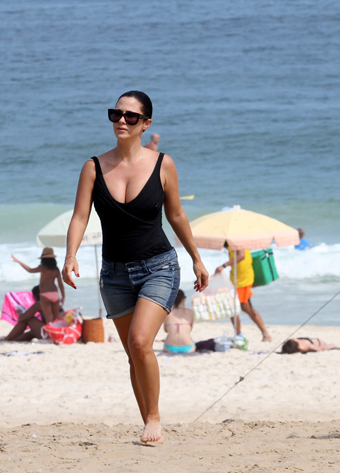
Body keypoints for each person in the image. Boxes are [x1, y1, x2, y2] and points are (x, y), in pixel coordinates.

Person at [62, 91, 209, 444]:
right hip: (113, 273)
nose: (121, 122)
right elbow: (80, 216)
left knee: (141, 341)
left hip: (159, 265)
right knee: (133, 353)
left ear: (146, 123)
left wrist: (196, 257)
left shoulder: (163, 164)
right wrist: (70, 255)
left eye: (130, 117)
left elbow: (176, 214)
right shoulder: (94, 167)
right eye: (116, 114)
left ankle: (155, 417)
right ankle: (147, 421)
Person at [215, 243, 272, 342]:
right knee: (236, 307)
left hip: (243, 280)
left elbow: (241, 256)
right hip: (236, 279)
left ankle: (264, 334)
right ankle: (240, 335)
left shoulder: (236, 240)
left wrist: (223, 266)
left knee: (243, 307)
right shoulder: (231, 244)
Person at [11, 248, 65, 325]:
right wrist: (63, 297)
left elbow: (30, 270)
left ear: (43, 259)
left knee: (49, 318)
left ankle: (50, 335)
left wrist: (19, 261)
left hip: (45, 294)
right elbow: (60, 284)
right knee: (56, 317)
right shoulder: (56, 269)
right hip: (55, 294)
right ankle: (57, 334)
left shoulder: (42, 267)